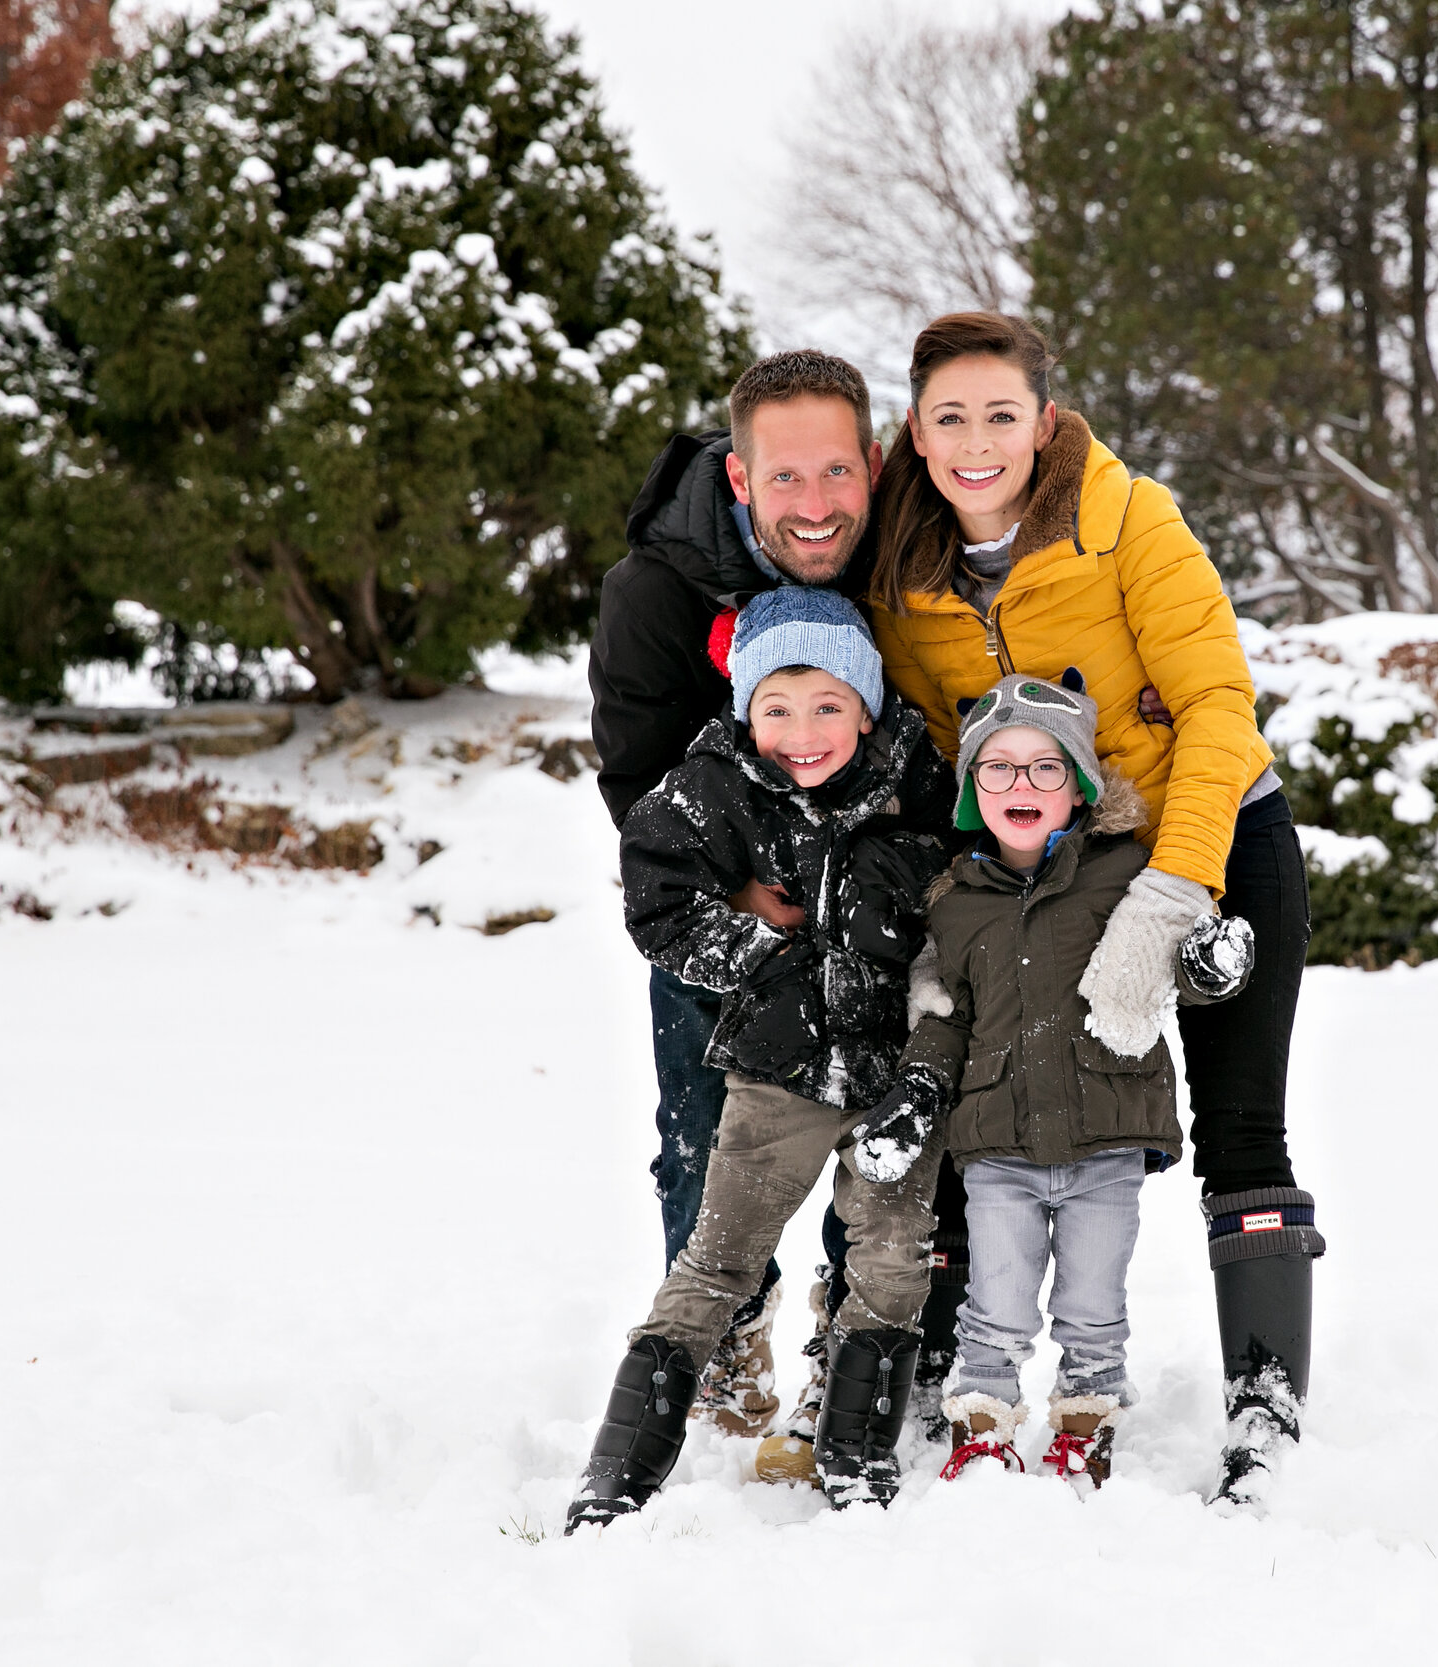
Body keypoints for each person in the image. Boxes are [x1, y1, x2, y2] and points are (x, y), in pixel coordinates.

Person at [868, 312, 1326, 1503]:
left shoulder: (1129, 519)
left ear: (1046, 423)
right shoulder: (901, 569)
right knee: (992, 1108)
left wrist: (1174, 892)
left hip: (1209, 833)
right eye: (949, 418)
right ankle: (957, 1372)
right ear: (915, 435)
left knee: (1238, 1124)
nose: (976, 442)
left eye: (1001, 415)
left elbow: (1219, 705)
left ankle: (1264, 1393)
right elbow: (923, 743)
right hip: (1034, 869)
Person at [586, 350, 970, 1453]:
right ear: (742, 478)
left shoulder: (900, 558)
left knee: (892, 1121)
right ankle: (719, 1340)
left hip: (882, 903)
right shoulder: (656, 592)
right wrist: (748, 905)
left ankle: (849, 1346)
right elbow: (634, 777)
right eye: (787, 478)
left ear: (875, 461)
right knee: (709, 1126)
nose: (817, 504)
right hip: (733, 894)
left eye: (837, 473)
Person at [566, 587, 954, 1530]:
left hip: (890, 1079)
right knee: (718, 1258)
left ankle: (855, 1451)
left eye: (829, 706)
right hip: (776, 1070)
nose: (803, 732)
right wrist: (756, 948)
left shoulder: (919, 784)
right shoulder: (713, 786)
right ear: (745, 709)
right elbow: (655, 897)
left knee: (894, 1260)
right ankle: (620, 1466)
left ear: (866, 707)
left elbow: (962, 898)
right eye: (776, 709)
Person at [849, 672, 1251, 1490]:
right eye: (997, 768)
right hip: (997, 1146)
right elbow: (943, 1014)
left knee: (1094, 1307)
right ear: (971, 791)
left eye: (1045, 767)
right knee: (994, 1302)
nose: (1020, 785)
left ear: (1080, 785)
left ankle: (1083, 1422)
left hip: (1107, 1136)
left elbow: (1175, 958)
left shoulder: (1125, 874)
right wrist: (917, 1091)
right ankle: (985, 1425)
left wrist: (1213, 967)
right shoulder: (955, 903)